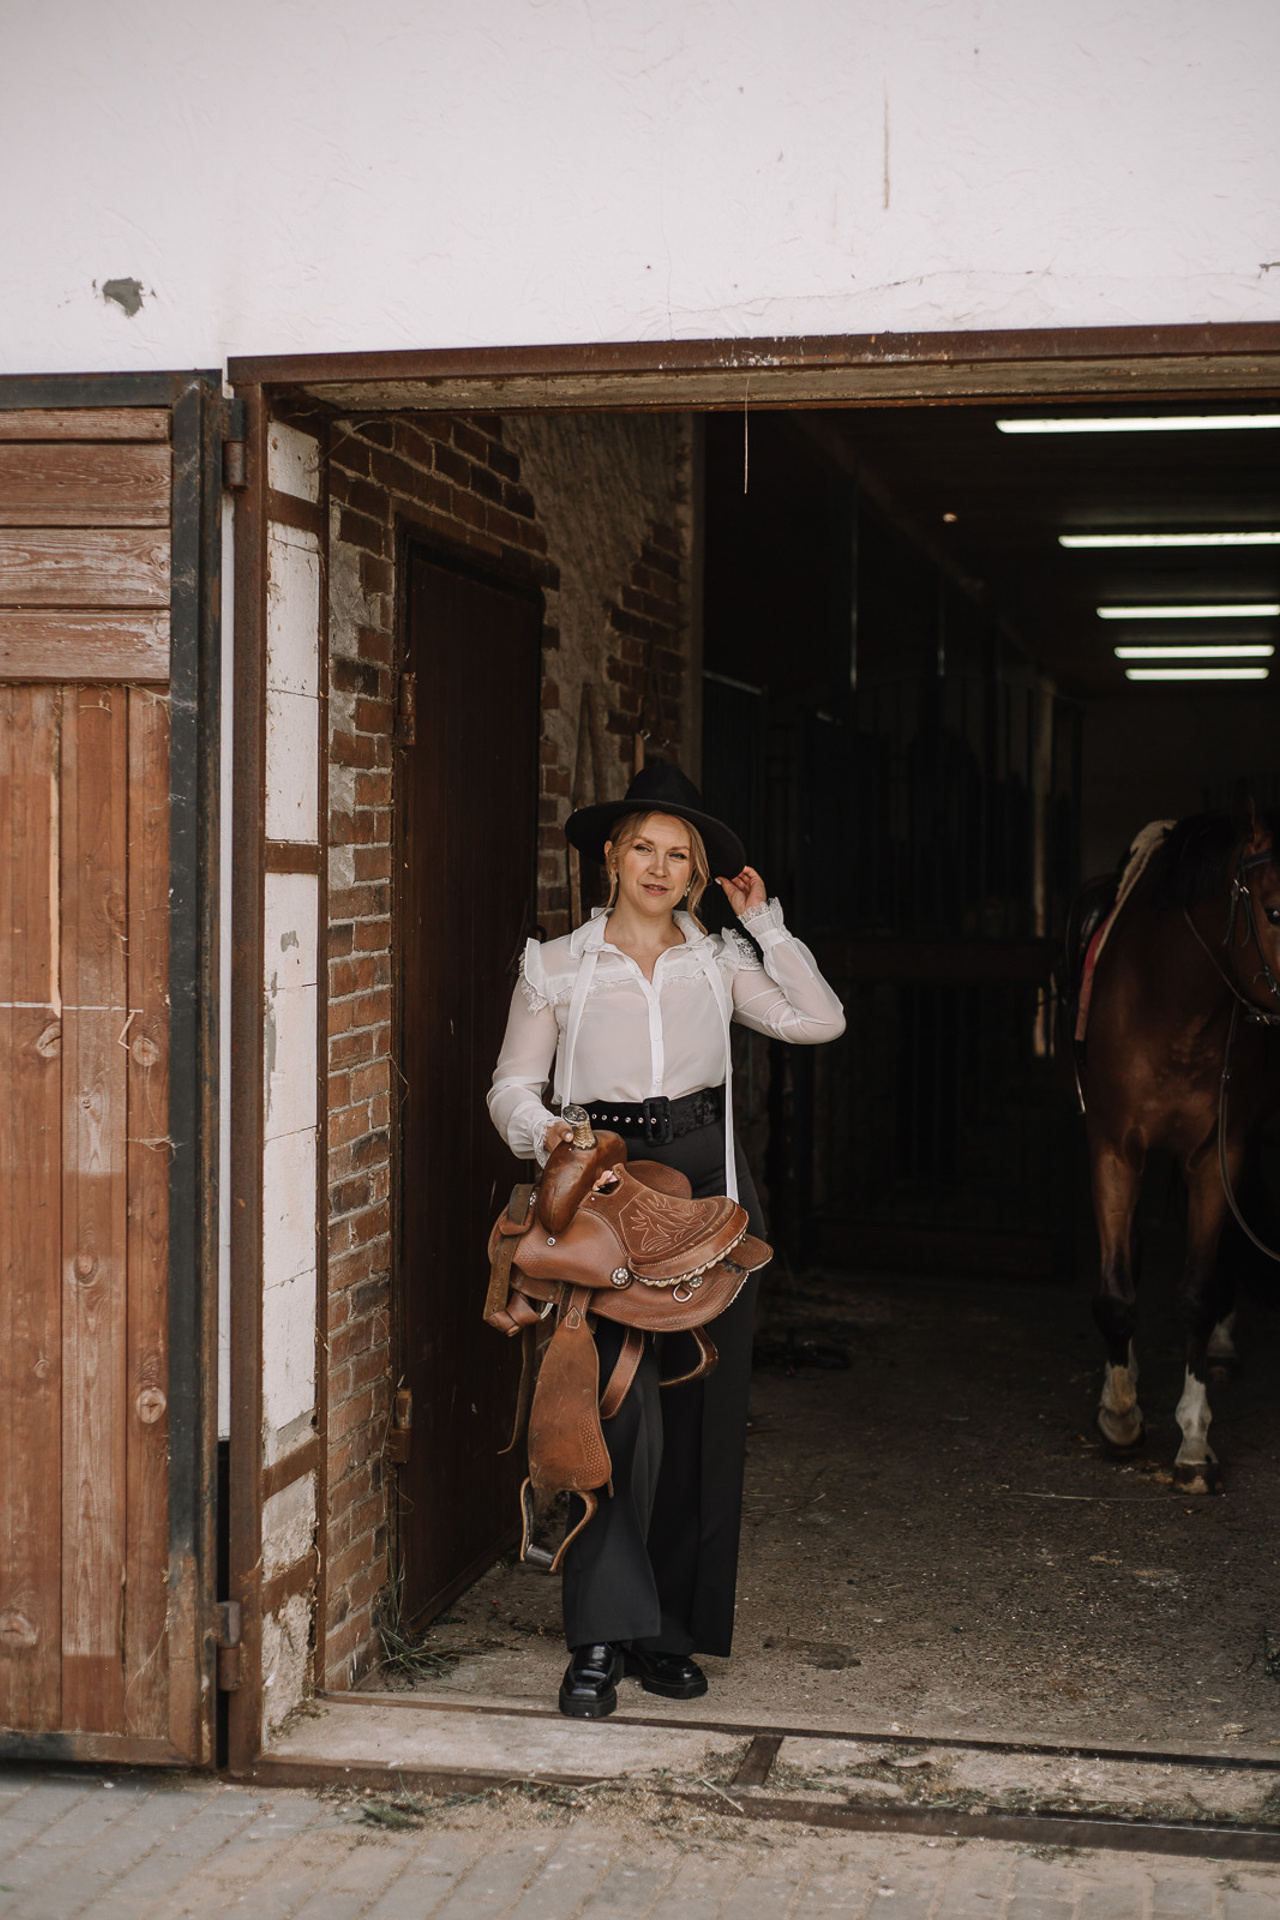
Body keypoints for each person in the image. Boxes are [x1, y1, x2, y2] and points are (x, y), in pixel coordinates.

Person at [487, 762, 845, 1718]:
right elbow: (508, 1085)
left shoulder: (718, 960)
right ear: (611, 857)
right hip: (604, 1197)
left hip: (710, 1200)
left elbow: (820, 1019)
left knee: (699, 1419)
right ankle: (599, 1638)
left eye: (677, 854)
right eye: (642, 846)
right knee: (611, 1415)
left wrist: (765, 927)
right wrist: (543, 1132)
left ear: (696, 874)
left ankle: (666, 1635)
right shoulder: (555, 965)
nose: (658, 864)